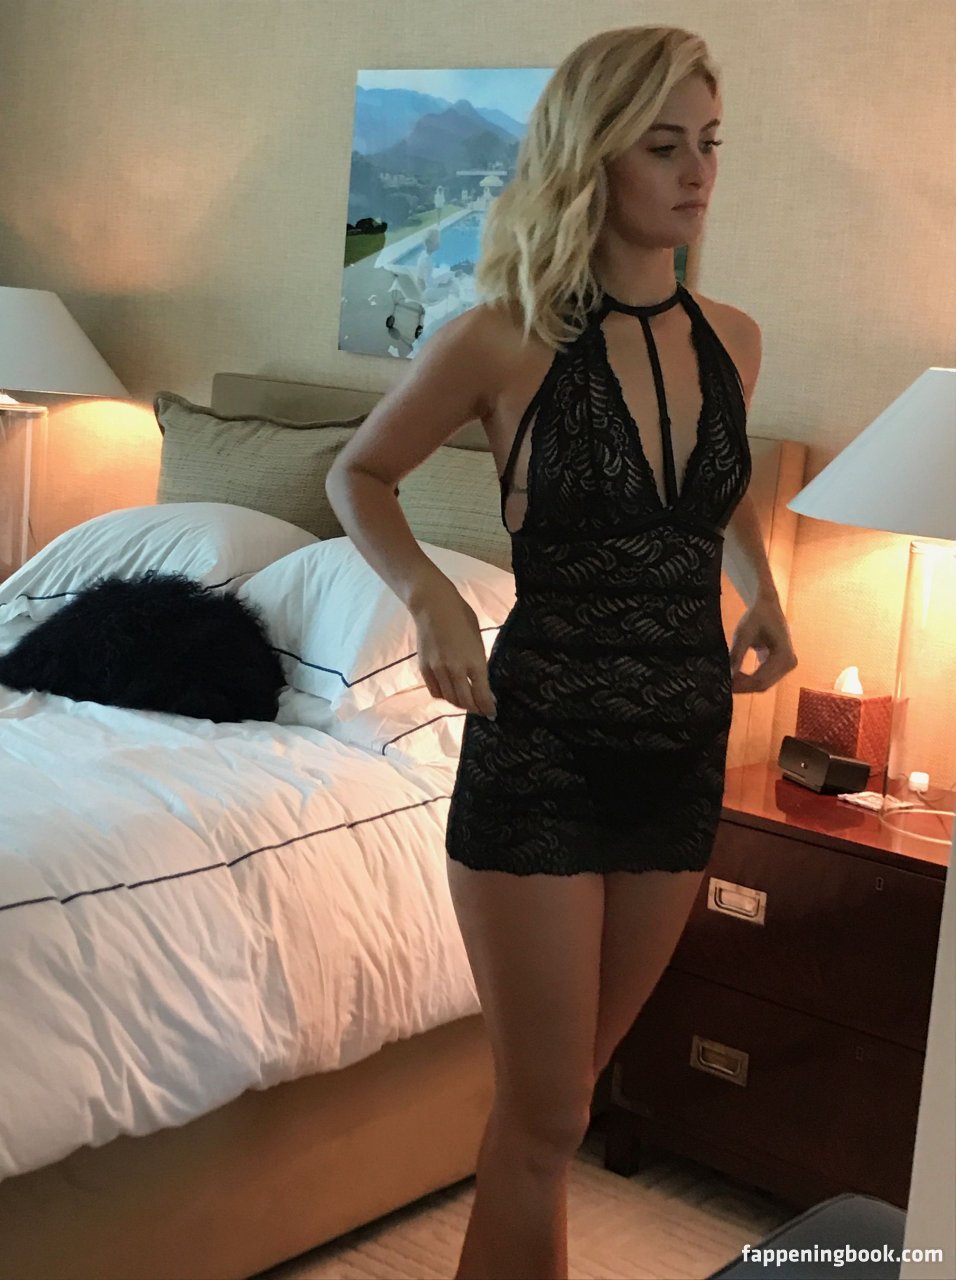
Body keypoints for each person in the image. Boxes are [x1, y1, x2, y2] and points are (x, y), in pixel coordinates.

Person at [325, 23, 797, 1280]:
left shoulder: (734, 338)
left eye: (708, 144)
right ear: (592, 159)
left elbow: (713, 487)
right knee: (542, 1120)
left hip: (681, 747)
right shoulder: (498, 337)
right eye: (662, 146)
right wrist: (429, 595)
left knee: (563, 1109)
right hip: (542, 754)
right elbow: (357, 472)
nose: (696, 173)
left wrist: (760, 588)